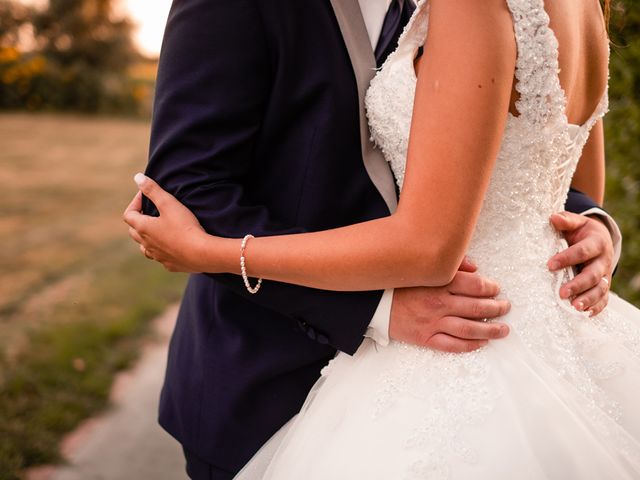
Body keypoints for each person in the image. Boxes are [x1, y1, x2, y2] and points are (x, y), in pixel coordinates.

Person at [125, 0, 626, 477]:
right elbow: (188, 195)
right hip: (266, 377)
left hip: (466, 362)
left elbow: (539, 166)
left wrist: (591, 223)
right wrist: (377, 306)